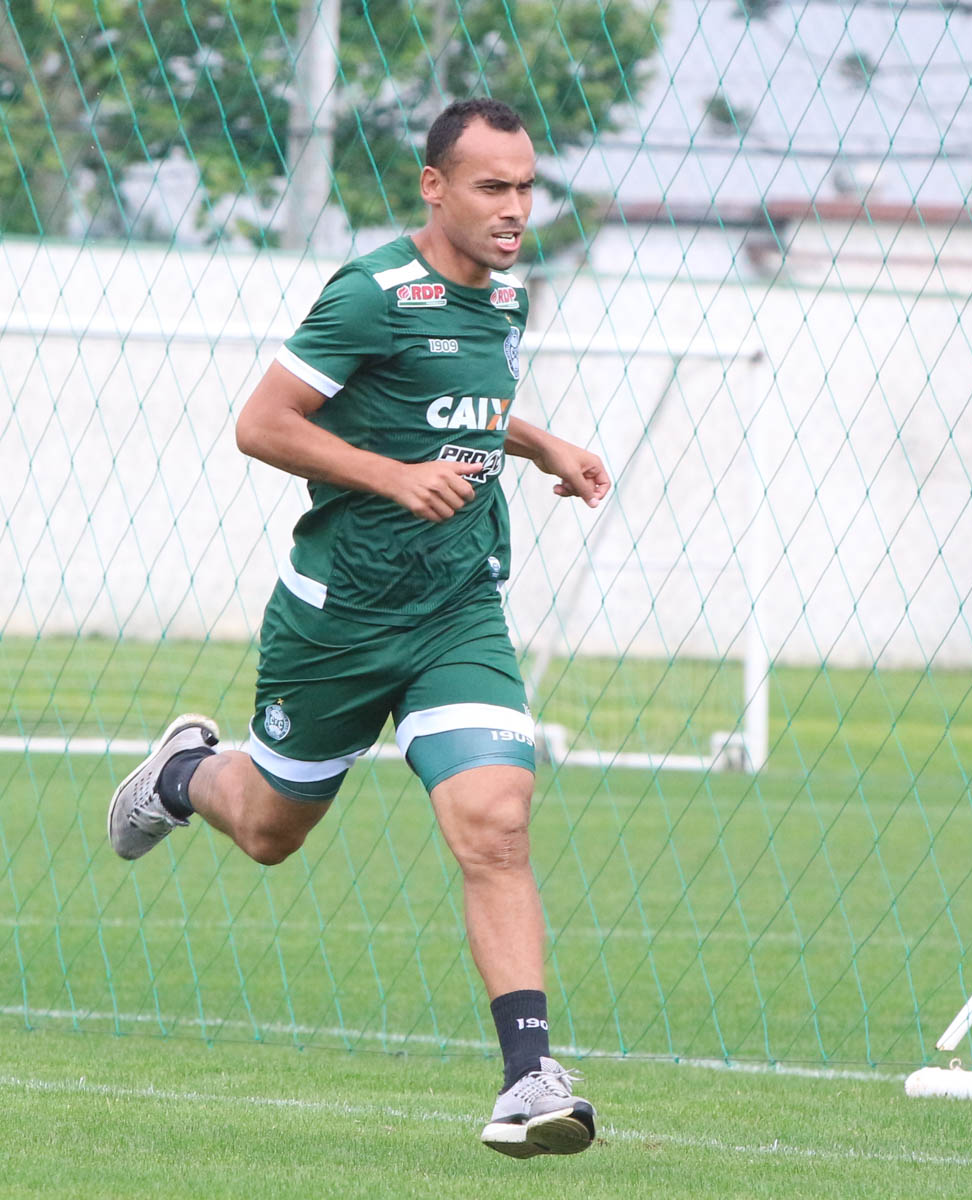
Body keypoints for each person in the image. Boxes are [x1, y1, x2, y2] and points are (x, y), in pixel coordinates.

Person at [106, 97, 610, 1159]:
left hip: (457, 609)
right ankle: (183, 774)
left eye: (526, 187)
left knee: (496, 822)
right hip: (336, 622)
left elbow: (462, 402)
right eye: (491, 187)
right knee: (269, 832)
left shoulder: (509, 298)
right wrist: (389, 478)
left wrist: (544, 445)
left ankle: (531, 1074)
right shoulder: (369, 293)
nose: (515, 208)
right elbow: (262, 423)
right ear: (435, 188)